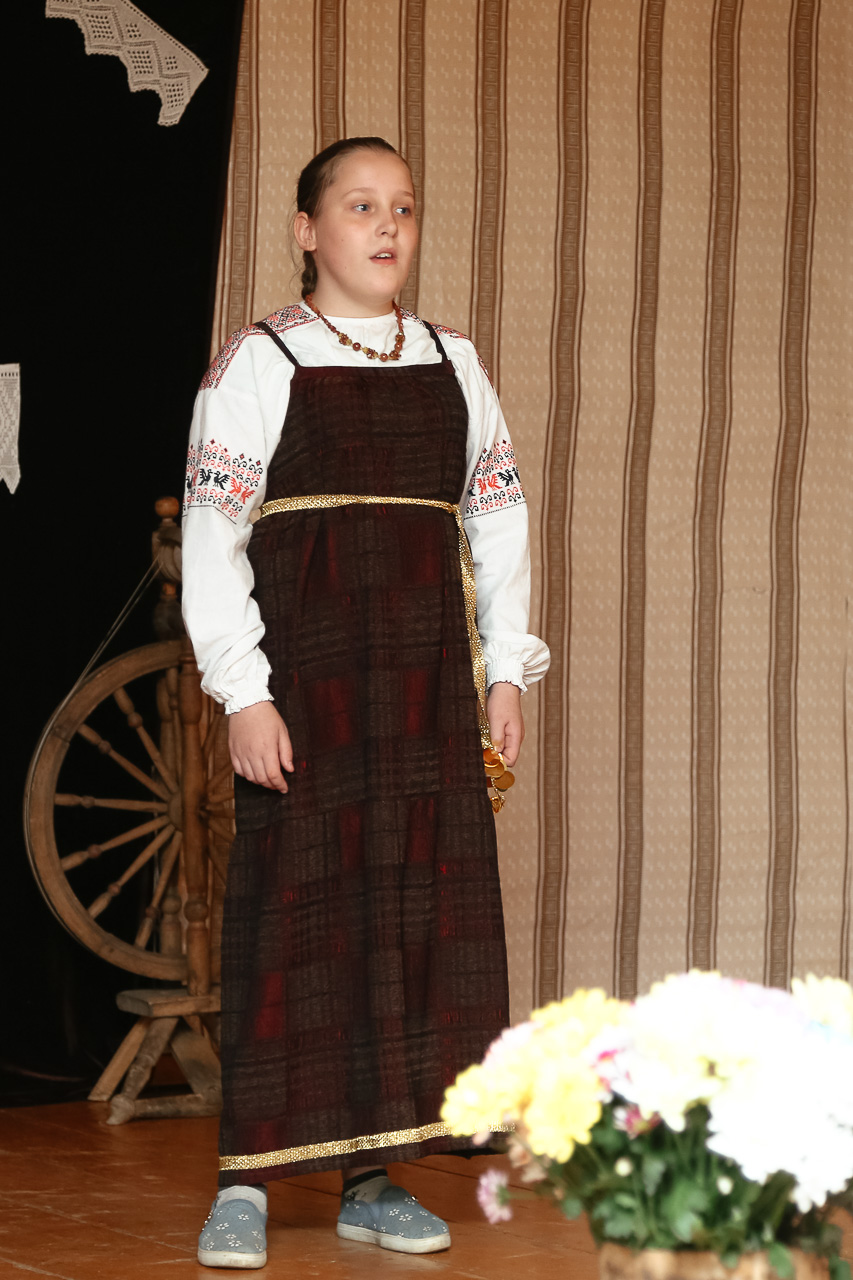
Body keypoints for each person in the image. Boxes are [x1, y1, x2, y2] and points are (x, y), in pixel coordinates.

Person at [182, 136, 550, 1269]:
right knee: (289, 912)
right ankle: (246, 1179)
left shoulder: (453, 360)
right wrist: (244, 693)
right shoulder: (258, 363)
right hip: (309, 679)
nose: (387, 225)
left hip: (425, 685)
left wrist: (503, 671)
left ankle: (373, 1177)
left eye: (403, 206)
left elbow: (496, 520)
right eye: (359, 205)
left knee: (405, 917)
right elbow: (212, 538)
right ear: (306, 231)